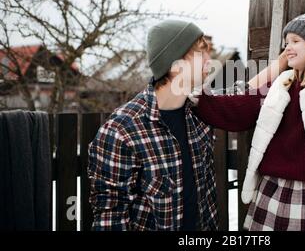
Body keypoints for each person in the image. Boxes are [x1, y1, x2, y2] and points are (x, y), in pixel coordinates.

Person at [88, 19, 285, 230]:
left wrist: (283, 60)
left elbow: (242, 93)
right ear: (174, 64)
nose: (210, 60)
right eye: (202, 52)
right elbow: (110, 219)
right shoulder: (121, 131)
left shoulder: (197, 111)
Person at [193, 2, 305, 231]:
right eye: (287, 43)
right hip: (271, 189)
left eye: (296, 41)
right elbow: (245, 106)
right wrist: (204, 102)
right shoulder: (282, 83)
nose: (288, 48)